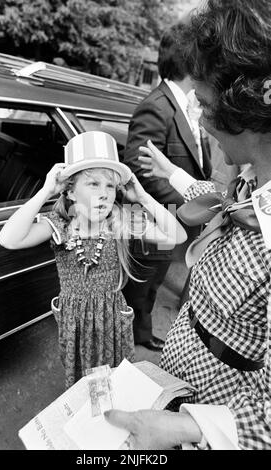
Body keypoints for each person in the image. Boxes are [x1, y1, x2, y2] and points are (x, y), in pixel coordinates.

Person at [105, 0, 271, 449]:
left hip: (222, 398)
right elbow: (221, 204)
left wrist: (189, 428)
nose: (198, 117)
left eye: (203, 102)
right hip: (183, 364)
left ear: (247, 103)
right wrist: (163, 177)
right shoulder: (252, 183)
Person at [0, 131, 187, 389]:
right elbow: (8, 239)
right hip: (74, 322)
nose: (104, 194)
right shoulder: (59, 225)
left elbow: (176, 235)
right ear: (71, 192)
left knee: (112, 379)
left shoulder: (119, 220)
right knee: (81, 382)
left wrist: (141, 196)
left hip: (112, 318)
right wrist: (45, 192)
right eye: (93, 184)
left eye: (110, 185)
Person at [122, 23, 212, 351]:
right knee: (144, 280)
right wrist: (191, 204)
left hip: (173, 215)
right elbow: (139, 170)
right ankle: (135, 337)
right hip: (158, 215)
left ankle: (138, 332)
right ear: (192, 61)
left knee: (155, 277)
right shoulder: (156, 105)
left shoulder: (182, 104)